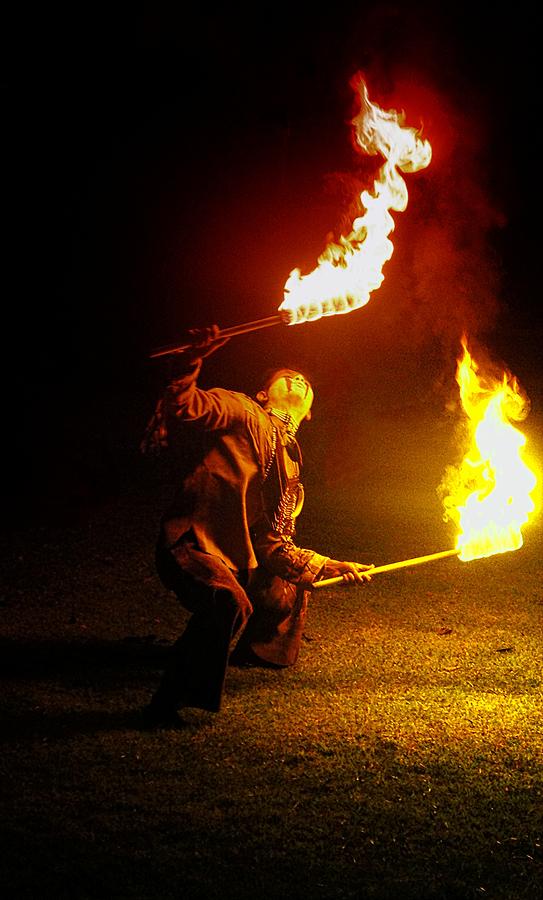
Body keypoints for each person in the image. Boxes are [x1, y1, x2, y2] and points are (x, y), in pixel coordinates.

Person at [140, 326, 373, 727]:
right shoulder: (243, 409)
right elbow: (187, 405)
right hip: (193, 544)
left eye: (305, 382)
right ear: (264, 394)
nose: (298, 379)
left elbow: (271, 541)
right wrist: (191, 360)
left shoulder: (291, 464)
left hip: (238, 558)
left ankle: (260, 652)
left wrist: (327, 566)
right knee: (227, 601)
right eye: (285, 377)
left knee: (292, 583)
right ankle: (164, 704)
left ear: (310, 410)